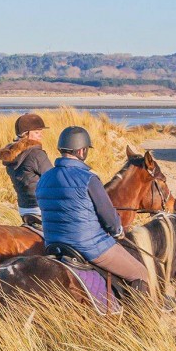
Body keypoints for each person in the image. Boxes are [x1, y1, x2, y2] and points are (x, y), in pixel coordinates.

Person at [36, 126, 150, 296]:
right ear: (82, 151)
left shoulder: (45, 178)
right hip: (90, 247)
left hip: (54, 245)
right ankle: (138, 313)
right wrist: (118, 230)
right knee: (140, 273)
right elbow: (109, 217)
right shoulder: (89, 178)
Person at [0, 113, 53, 228]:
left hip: (23, 207)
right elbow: (53, 179)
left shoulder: (12, 155)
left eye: (41, 132)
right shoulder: (37, 154)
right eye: (37, 132)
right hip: (40, 206)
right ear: (26, 134)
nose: (41, 135)